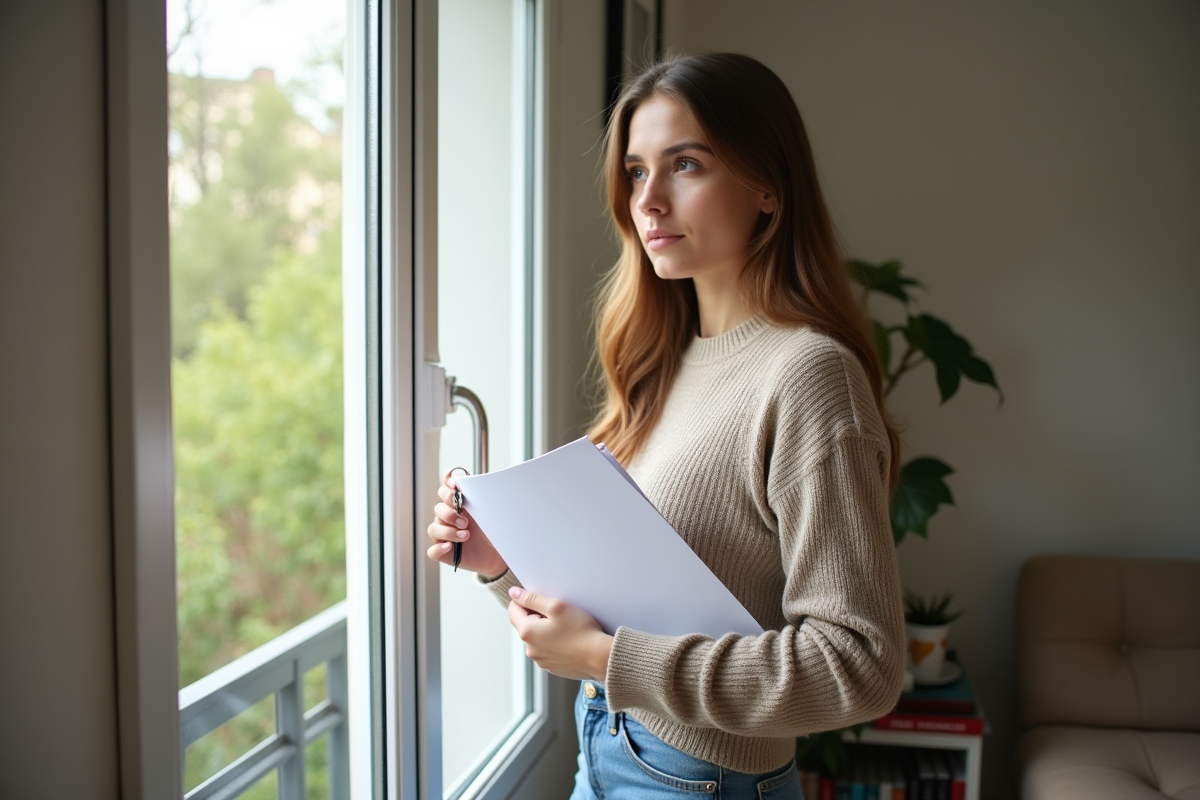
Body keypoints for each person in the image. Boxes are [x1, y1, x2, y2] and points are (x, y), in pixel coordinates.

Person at [427, 52, 905, 799]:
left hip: (698, 779)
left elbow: (860, 667)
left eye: (685, 165)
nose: (647, 201)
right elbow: (627, 610)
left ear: (768, 186)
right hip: (610, 747)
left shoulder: (809, 376)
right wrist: (500, 565)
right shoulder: (665, 360)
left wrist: (607, 662)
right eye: (636, 171)